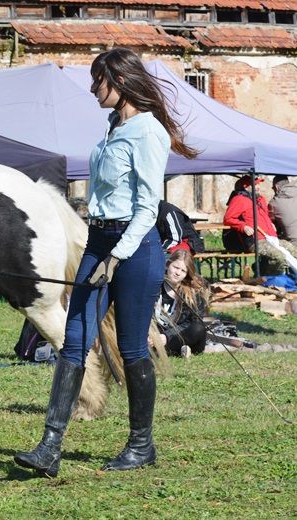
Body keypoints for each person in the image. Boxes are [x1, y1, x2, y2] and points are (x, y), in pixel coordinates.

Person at [14, 48, 198, 477]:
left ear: (119, 82)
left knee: (132, 347)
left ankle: (141, 445)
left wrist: (117, 255)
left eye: (98, 81)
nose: (93, 89)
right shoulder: (114, 127)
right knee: (74, 339)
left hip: (135, 249)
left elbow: (147, 204)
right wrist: (99, 248)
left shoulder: (148, 132)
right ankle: (49, 447)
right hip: (98, 239)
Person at [223, 176, 297, 275]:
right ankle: (270, 281)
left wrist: (270, 223)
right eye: (255, 185)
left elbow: (266, 216)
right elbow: (228, 218)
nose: (258, 187)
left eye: (258, 184)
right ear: (246, 186)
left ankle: (283, 277)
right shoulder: (239, 199)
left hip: (271, 238)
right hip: (256, 240)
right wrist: (243, 226)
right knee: (279, 257)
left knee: (294, 251)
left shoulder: (260, 199)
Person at [154, 250, 209, 358]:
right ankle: (175, 350)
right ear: (168, 265)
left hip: (180, 334)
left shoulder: (193, 292)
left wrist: (167, 336)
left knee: (198, 328)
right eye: (175, 267)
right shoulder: (154, 286)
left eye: (183, 271)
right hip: (157, 333)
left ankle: (167, 349)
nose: (178, 273)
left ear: (187, 274)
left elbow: (194, 321)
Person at [269, 175, 297, 246]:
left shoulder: (273, 203)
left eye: (273, 188)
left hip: (293, 242)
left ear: (276, 187)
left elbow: (270, 221)